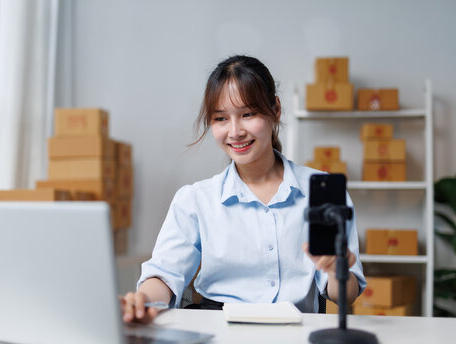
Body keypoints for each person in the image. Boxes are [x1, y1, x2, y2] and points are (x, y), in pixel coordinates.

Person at [121, 55, 366, 323]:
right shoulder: (195, 200)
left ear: (275, 110)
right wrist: (142, 300)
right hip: (219, 337)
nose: (235, 131)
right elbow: (165, 274)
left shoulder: (320, 193)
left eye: (248, 114)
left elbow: (347, 294)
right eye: (221, 118)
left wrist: (336, 270)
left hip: (295, 340)